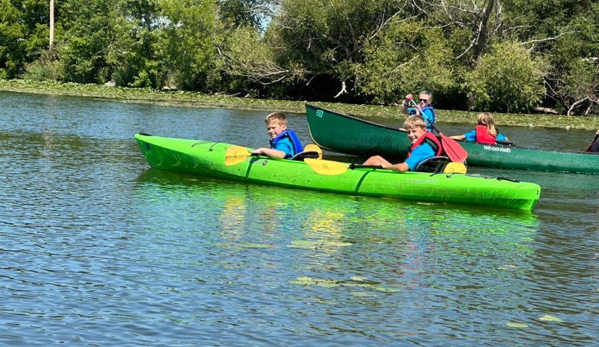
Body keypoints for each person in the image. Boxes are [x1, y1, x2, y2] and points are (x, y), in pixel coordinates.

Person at [362, 115, 442, 172]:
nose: (410, 135)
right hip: (418, 175)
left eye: (414, 131)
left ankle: (353, 176)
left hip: (413, 179)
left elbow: (402, 168)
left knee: (374, 160)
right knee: (376, 158)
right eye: (408, 132)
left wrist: (387, 167)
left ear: (424, 130)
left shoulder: (421, 149)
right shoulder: (428, 146)